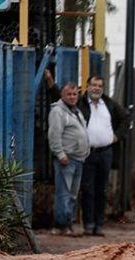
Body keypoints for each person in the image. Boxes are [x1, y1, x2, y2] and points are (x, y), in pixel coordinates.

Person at [77, 76, 131, 236]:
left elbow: (126, 118)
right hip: (88, 153)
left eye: (100, 85)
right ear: (87, 86)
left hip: (106, 152)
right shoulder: (80, 103)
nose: (96, 88)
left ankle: (99, 224)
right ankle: (88, 224)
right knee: (87, 189)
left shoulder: (109, 104)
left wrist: (117, 136)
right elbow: (63, 100)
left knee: (101, 190)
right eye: (93, 85)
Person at [48, 82, 90, 235]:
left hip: (78, 159)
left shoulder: (75, 111)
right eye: (69, 94)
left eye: (74, 94)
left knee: (72, 195)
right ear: (62, 95)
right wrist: (60, 154)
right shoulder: (58, 112)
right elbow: (54, 135)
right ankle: (60, 226)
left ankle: (68, 224)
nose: (72, 97)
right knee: (64, 193)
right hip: (67, 159)